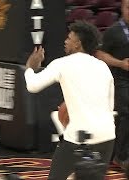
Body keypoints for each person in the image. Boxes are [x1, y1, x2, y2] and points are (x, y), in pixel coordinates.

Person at [24, 21, 116, 179]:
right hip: (107, 135)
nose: (65, 41)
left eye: (69, 38)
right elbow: (110, 105)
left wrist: (30, 68)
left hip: (80, 137)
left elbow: (33, 86)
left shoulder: (62, 64)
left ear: (78, 43)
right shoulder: (103, 66)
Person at [95, 0, 129, 172]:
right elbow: (99, 53)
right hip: (121, 81)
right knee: (126, 114)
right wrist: (120, 63)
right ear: (122, 8)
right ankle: (120, 156)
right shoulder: (114, 31)